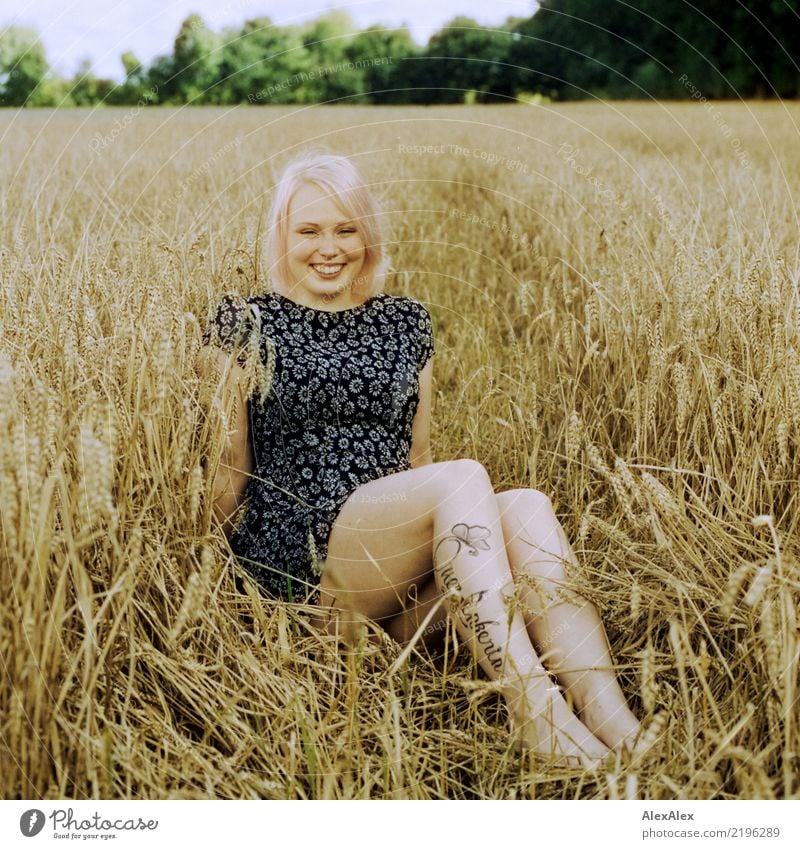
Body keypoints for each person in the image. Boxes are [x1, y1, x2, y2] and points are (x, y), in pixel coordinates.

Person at [196, 149, 642, 765]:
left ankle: (613, 720)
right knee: (463, 480)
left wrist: (453, 559)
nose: (329, 247)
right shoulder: (245, 322)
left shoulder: (406, 322)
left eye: (346, 229)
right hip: (307, 563)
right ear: (281, 236)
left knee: (528, 508)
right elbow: (230, 463)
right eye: (309, 231)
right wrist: (203, 581)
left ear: (367, 235)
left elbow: (418, 453)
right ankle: (536, 715)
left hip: (394, 561)